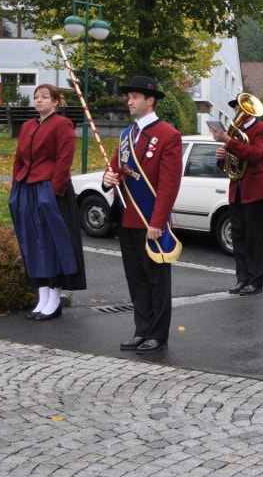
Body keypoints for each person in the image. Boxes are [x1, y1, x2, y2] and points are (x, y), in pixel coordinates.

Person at [102, 76, 182, 353]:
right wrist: (108, 179)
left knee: (156, 281)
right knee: (136, 278)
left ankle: (158, 334)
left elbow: (169, 185)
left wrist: (157, 222)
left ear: (150, 100)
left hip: (151, 221)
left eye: (134, 96)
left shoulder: (169, 135)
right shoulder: (127, 134)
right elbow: (114, 168)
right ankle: (142, 330)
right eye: (129, 97)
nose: (129, 101)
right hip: (128, 217)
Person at [9, 83, 86, 321]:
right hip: (27, 188)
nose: (39, 100)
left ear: (55, 101)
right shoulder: (28, 126)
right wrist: (16, 184)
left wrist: (54, 191)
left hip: (49, 189)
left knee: (52, 243)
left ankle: (54, 299)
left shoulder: (62, 124)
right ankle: (42, 297)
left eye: (44, 97)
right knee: (33, 242)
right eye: (36, 97)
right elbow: (19, 158)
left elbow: (64, 159)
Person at [211, 96, 263, 296]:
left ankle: (256, 282)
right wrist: (221, 158)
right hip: (236, 190)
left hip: (254, 190)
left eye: (241, 109)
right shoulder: (235, 132)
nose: (238, 112)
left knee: (255, 238)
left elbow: (254, 154)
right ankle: (242, 279)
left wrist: (228, 141)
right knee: (238, 237)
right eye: (237, 109)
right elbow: (231, 164)